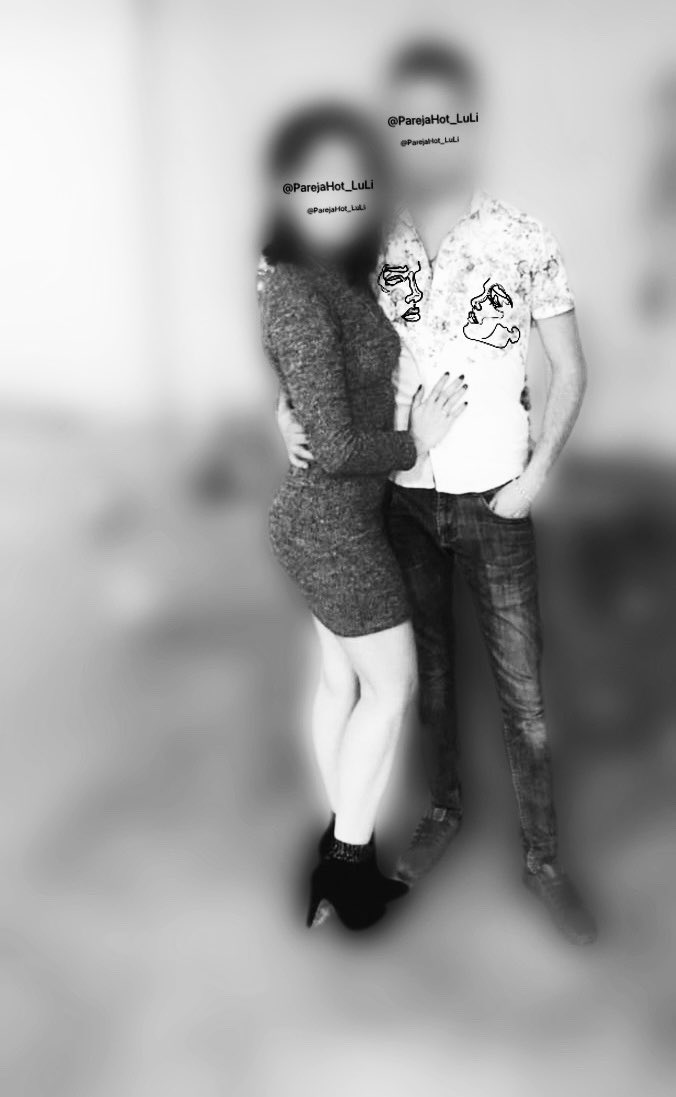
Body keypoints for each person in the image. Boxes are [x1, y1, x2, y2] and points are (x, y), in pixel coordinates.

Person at [279, 45, 597, 944]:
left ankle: (544, 863)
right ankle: (444, 810)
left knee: (525, 698)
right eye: (407, 116)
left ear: (468, 121)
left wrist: (536, 475)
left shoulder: (522, 235)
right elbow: (318, 338)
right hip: (402, 499)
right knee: (427, 684)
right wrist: (281, 411)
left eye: (439, 114)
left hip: (497, 500)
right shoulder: (367, 236)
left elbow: (571, 368)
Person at [258, 104, 467, 931]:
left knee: (342, 681)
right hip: (331, 529)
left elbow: (306, 393)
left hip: (333, 519)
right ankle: (346, 868)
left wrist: (283, 410)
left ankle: (337, 835)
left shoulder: (332, 268)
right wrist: (417, 441)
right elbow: (340, 445)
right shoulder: (295, 287)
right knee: (392, 685)